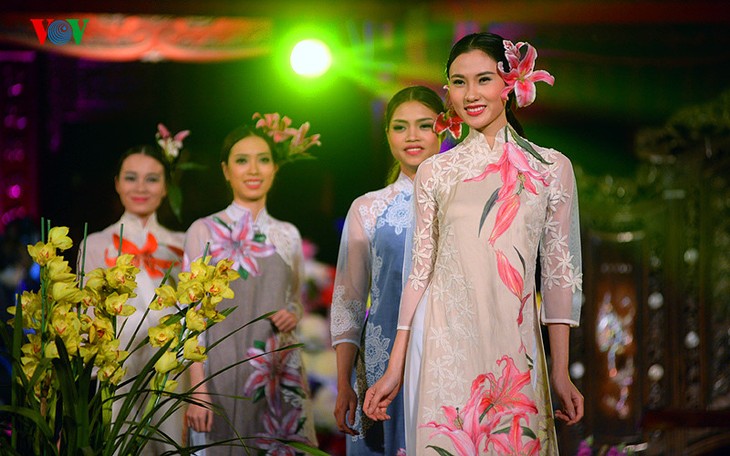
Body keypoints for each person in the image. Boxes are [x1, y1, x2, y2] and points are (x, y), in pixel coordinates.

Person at [363, 32, 584, 454]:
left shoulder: (551, 168)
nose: (471, 94)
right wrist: (396, 367)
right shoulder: (436, 172)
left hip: (515, 350)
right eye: (458, 82)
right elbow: (419, 274)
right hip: (446, 350)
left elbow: (559, 275)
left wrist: (560, 371)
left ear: (510, 83)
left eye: (484, 79)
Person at [184, 114, 319, 455]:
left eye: (263, 160)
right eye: (242, 161)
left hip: (277, 373)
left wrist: (293, 313)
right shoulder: (204, 230)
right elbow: (190, 317)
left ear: (275, 168)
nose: (254, 170)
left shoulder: (288, 234)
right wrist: (197, 391)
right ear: (226, 171)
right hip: (222, 376)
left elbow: (294, 302)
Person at [330, 86, 444, 455]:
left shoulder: (466, 203)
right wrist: (344, 382)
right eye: (400, 127)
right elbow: (348, 302)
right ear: (387, 135)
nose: (412, 136)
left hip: (448, 356)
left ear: (445, 129)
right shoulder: (368, 209)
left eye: (424, 125)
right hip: (380, 362)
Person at [81, 140, 186, 455]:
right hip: (120, 369)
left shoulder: (183, 243)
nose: (141, 187)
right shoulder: (96, 244)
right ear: (116, 183)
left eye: (152, 178)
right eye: (131, 177)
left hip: (171, 370)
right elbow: (89, 314)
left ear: (166, 187)